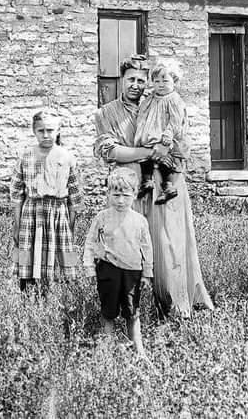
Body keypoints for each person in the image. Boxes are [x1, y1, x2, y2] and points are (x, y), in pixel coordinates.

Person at [93, 55, 213, 318]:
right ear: (120, 80)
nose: (135, 85)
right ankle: (132, 311)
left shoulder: (162, 104)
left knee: (168, 245)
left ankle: (175, 308)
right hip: (128, 190)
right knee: (128, 247)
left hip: (164, 186)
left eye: (141, 80)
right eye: (130, 79)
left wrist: (166, 150)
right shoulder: (106, 113)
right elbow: (108, 150)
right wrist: (147, 152)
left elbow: (181, 145)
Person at [83, 166, 153, 355]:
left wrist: (147, 273)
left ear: (134, 194)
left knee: (132, 312)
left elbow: (147, 248)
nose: (120, 200)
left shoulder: (139, 221)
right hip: (108, 270)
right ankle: (107, 350)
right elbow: (91, 242)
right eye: (116, 195)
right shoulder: (102, 218)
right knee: (108, 311)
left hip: (132, 272)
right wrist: (89, 267)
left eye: (125, 195)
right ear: (108, 194)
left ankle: (139, 351)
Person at [11, 109, 83, 291]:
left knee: (60, 259)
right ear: (34, 131)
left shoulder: (67, 157)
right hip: (32, 212)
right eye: (41, 130)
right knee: (28, 256)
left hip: (58, 212)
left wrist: (71, 225)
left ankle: (57, 299)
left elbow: (76, 196)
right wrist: (17, 225)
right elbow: (16, 194)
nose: (46, 135)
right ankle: (27, 296)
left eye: (50, 130)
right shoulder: (25, 155)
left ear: (58, 130)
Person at [133, 60, 188, 204]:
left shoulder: (174, 100)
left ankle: (168, 187)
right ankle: (147, 181)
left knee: (165, 160)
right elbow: (144, 110)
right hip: (150, 137)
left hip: (164, 138)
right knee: (146, 157)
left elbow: (176, 120)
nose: (161, 84)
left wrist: (169, 133)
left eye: (165, 81)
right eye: (156, 81)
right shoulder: (151, 98)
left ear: (174, 81)